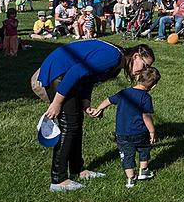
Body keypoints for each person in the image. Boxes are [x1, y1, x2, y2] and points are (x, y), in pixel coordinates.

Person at [35, 41, 155, 191]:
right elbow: (76, 72)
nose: (143, 71)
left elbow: (88, 79)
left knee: (76, 123)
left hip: (69, 76)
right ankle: (58, 179)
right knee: (69, 125)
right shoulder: (113, 56)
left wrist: (86, 104)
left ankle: (77, 170)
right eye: (145, 65)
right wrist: (57, 103)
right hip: (61, 73)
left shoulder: (115, 68)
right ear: (136, 56)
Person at [87, 66, 161, 188]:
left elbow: (109, 100)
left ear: (137, 77)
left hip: (121, 133)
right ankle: (144, 171)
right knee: (144, 148)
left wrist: (99, 109)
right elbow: (146, 116)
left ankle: (130, 179)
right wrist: (152, 131)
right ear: (153, 86)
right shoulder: (145, 97)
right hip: (140, 132)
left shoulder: (124, 93)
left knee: (127, 155)